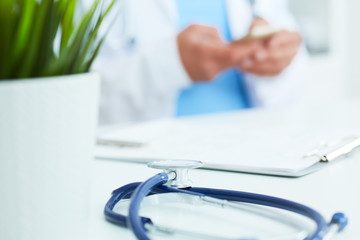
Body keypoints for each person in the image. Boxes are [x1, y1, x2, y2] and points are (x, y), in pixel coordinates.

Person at [93, 0, 306, 125]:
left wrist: (277, 59)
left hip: (255, 152)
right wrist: (170, 65)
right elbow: (70, 99)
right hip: (151, 172)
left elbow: (298, 90)